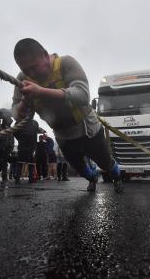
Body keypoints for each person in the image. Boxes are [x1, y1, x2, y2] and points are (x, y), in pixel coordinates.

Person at [12, 38, 122, 192]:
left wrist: (41, 92)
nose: (31, 73)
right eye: (25, 70)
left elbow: (83, 95)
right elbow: (16, 114)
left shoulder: (66, 63)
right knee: (80, 168)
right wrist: (24, 102)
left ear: (44, 55)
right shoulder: (22, 79)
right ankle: (92, 178)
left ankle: (117, 177)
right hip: (63, 135)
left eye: (34, 67)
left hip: (88, 129)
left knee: (105, 163)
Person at [13, 118, 39, 183]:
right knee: (28, 161)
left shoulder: (19, 121)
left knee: (23, 161)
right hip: (29, 144)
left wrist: (20, 138)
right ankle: (29, 178)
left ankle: (20, 178)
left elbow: (15, 132)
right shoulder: (34, 122)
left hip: (26, 144)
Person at [0, 117, 14, 182]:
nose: (10, 121)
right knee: (0, 163)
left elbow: (12, 139)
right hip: (1, 148)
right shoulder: (0, 128)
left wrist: (11, 146)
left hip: (8, 148)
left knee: (4, 163)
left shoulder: (11, 129)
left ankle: (3, 177)